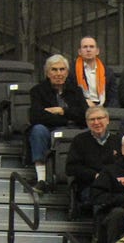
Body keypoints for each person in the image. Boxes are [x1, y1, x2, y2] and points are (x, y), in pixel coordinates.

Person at [27, 54, 88, 192]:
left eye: (62, 69)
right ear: (47, 73)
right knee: (37, 130)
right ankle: (42, 179)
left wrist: (62, 111)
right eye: (54, 70)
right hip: (49, 130)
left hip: (74, 129)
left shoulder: (76, 91)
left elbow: (85, 115)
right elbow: (36, 116)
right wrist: (70, 118)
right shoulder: (37, 91)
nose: (58, 73)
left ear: (67, 72)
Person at [65, 105, 117, 208]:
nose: (96, 122)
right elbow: (71, 168)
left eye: (99, 118)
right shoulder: (79, 141)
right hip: (89, 186)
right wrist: (94, 175)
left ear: (107, 120)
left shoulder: (118, 141)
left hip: (114, 186)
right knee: (103, 202)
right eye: (92, 119)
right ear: (87, 123)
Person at [71, 37, 113, 109]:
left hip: (103, 108)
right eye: (85, 47)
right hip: (81, 107)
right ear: (79, 52)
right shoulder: (72, 70)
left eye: (91, 47)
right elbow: (71, 94)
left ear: (97, 51)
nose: (88, 50)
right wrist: (84, 102)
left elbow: (113, 96)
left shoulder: (107, 71)